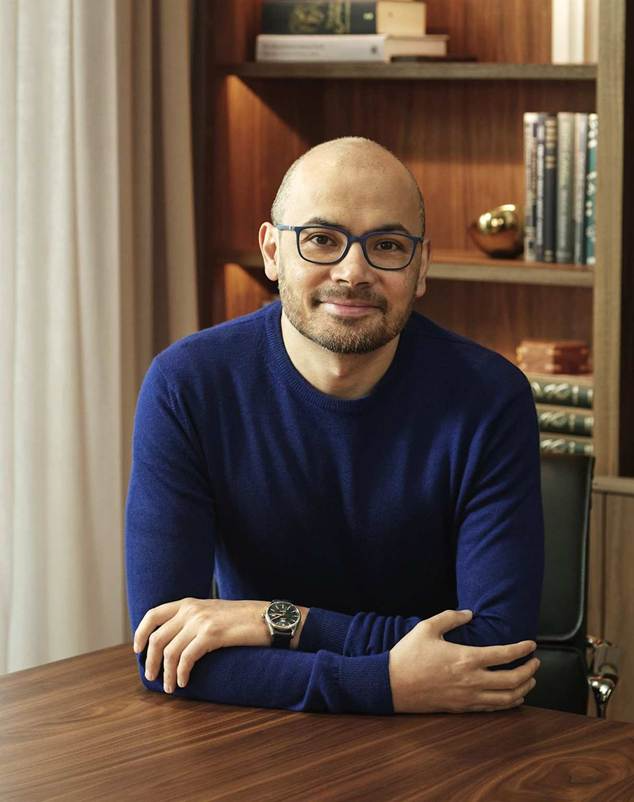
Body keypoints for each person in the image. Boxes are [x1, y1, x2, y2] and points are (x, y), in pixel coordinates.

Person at [125, 136, 544, 715]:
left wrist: (278, 622)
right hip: (261, 742)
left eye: (388, 245)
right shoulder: (188, 385)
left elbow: (494, 650)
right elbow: (163, 654)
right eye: (321, 240)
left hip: (445, 747)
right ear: (272, 253)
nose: (353, 272)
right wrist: (386, 684)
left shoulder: (490, 397)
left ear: (421, 267)